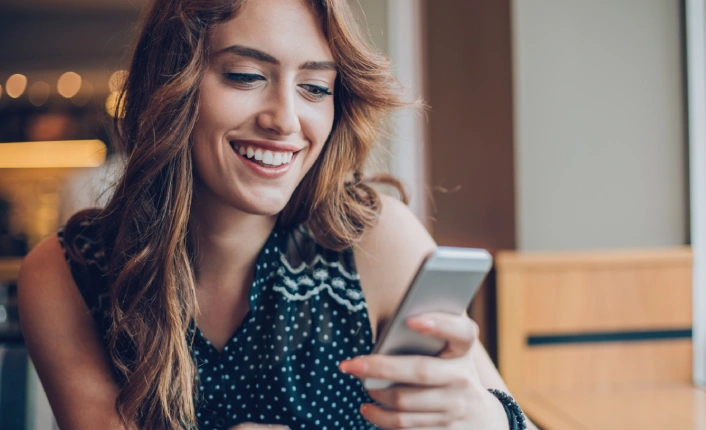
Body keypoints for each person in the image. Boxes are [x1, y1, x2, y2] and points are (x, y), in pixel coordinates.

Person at [18, 0, 534, 429]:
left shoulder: (376, 240)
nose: (285, 119)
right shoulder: (69, 273)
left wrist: (486, 416)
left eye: (315, 87)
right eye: (245, 76)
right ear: (171, 82)